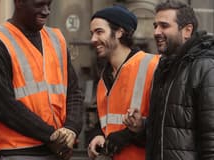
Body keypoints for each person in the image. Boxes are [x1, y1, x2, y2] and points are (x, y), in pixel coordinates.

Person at [0, 0, 83, 160]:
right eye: (39, 5)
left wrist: (71, 128)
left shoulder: (56, 39)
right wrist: (51, 135)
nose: (46, 11)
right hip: (19, 151)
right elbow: (4, 106)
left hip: (57, 149)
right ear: (19, 2)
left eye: (49, 4)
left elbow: (73, 92)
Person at [123, 0, 214, 160]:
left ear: (187, 30)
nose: (156, 32)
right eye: (155, 26)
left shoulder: (205, 68)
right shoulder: (164, 68)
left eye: (164, 26)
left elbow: (211, 138)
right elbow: (172, 132)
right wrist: (142, 127)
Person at [88, 5, 160, 160]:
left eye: (99, 32)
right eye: (92, 33)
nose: (93, 39)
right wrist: (98, 135)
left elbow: (167, 124)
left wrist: (127, 136)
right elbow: (105, 124)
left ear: (120, 32)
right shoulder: (103, 81)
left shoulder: (153, 66)